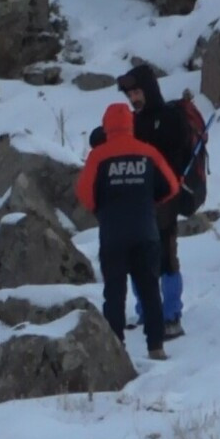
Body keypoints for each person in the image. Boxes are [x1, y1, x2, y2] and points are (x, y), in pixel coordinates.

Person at [75, 103, 179, 360]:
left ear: (107, 125)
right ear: (130, 124)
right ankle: (156, 346)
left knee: (114, 293)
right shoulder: (148, 152)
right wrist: (149, 201)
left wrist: (102, 209)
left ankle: (116, 347)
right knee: (150, 291)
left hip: (113, 235)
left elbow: (85, 194)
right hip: (146, 232)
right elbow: (171, 187)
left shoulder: (98, 156)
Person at [117, 64, 191, 340]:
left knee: (166, 257)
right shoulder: (131, 122)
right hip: (137, 200)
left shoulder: (171, 117)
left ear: (148, 89)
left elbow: (175, 149)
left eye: (137, 92)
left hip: (166, 197)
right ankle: (146, 311)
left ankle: (171, 315)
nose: (134, 98)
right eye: (130, 94)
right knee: (138, 257)